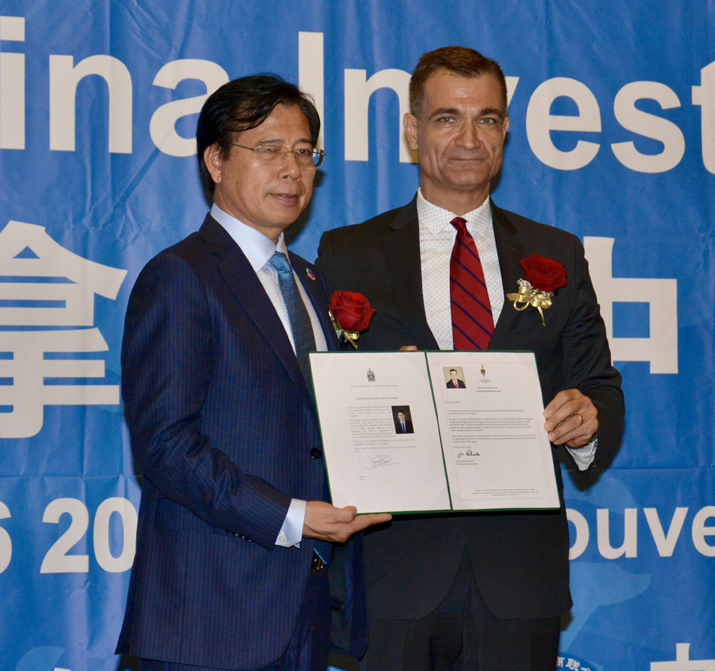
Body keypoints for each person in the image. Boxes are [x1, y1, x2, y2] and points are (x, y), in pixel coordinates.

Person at [317, 46, 624, 671]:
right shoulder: (348, 253)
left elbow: (600, 385)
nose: (468, 138)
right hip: (395, 571)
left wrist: (587, 422)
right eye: (446, 118)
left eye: (486, 119)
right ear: (413, 131)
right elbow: (319, 398)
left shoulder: (557, 254)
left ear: (505, 131)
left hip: (518, 575)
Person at [117, 75, 389, 671]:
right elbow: (165, 445)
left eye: (304, 152)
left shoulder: (311, 281)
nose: (292, 169)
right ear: (216, 160)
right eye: (269, 149)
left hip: (304, 609)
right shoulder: (181, 276)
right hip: (209, 614)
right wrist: (293, 517)